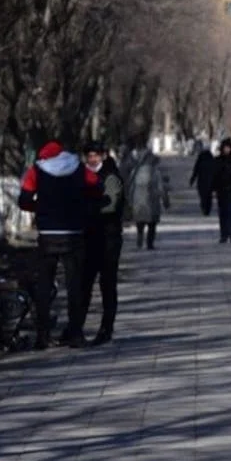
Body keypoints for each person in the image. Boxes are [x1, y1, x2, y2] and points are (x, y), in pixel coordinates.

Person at [18, 141, 101, 349]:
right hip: (74, 233)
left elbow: (23, 199)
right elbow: (97, 187)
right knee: (75, 285)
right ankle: (75, 334)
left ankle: (43, 336)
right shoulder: (78, 167)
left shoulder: (36, 170)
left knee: (44, 285)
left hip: (48, 235)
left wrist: (41, 207)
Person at [81, 141, 124, 346]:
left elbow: (111, 206)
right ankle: (76, 327)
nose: (92, 160)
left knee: (107, 284)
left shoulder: (111, 177)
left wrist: (86, 208)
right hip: (88, 239)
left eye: (95, 155)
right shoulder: (81, 176)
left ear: (103, 156)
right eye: (89, 156)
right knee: (83, 284)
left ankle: (106, 328)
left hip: (108, 238)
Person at [123, 145, 168, 249]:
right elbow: (161, 188)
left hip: (138, 201)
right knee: (152, 224)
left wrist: (129, 201)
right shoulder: (155, 173)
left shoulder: (136, 171)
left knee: (140, 222)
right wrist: (165, 200)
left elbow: (131, 187)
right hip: (152, 202)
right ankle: (149, 243)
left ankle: (139, 239)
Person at [189, 146, 216, 216]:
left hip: (201, 182)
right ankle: (207, 209)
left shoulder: (200, 160)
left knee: (203, 196)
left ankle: (204, 208)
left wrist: (192, 181)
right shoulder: (212, 160)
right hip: (210, 182)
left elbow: (195, 171)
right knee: (209, 196)